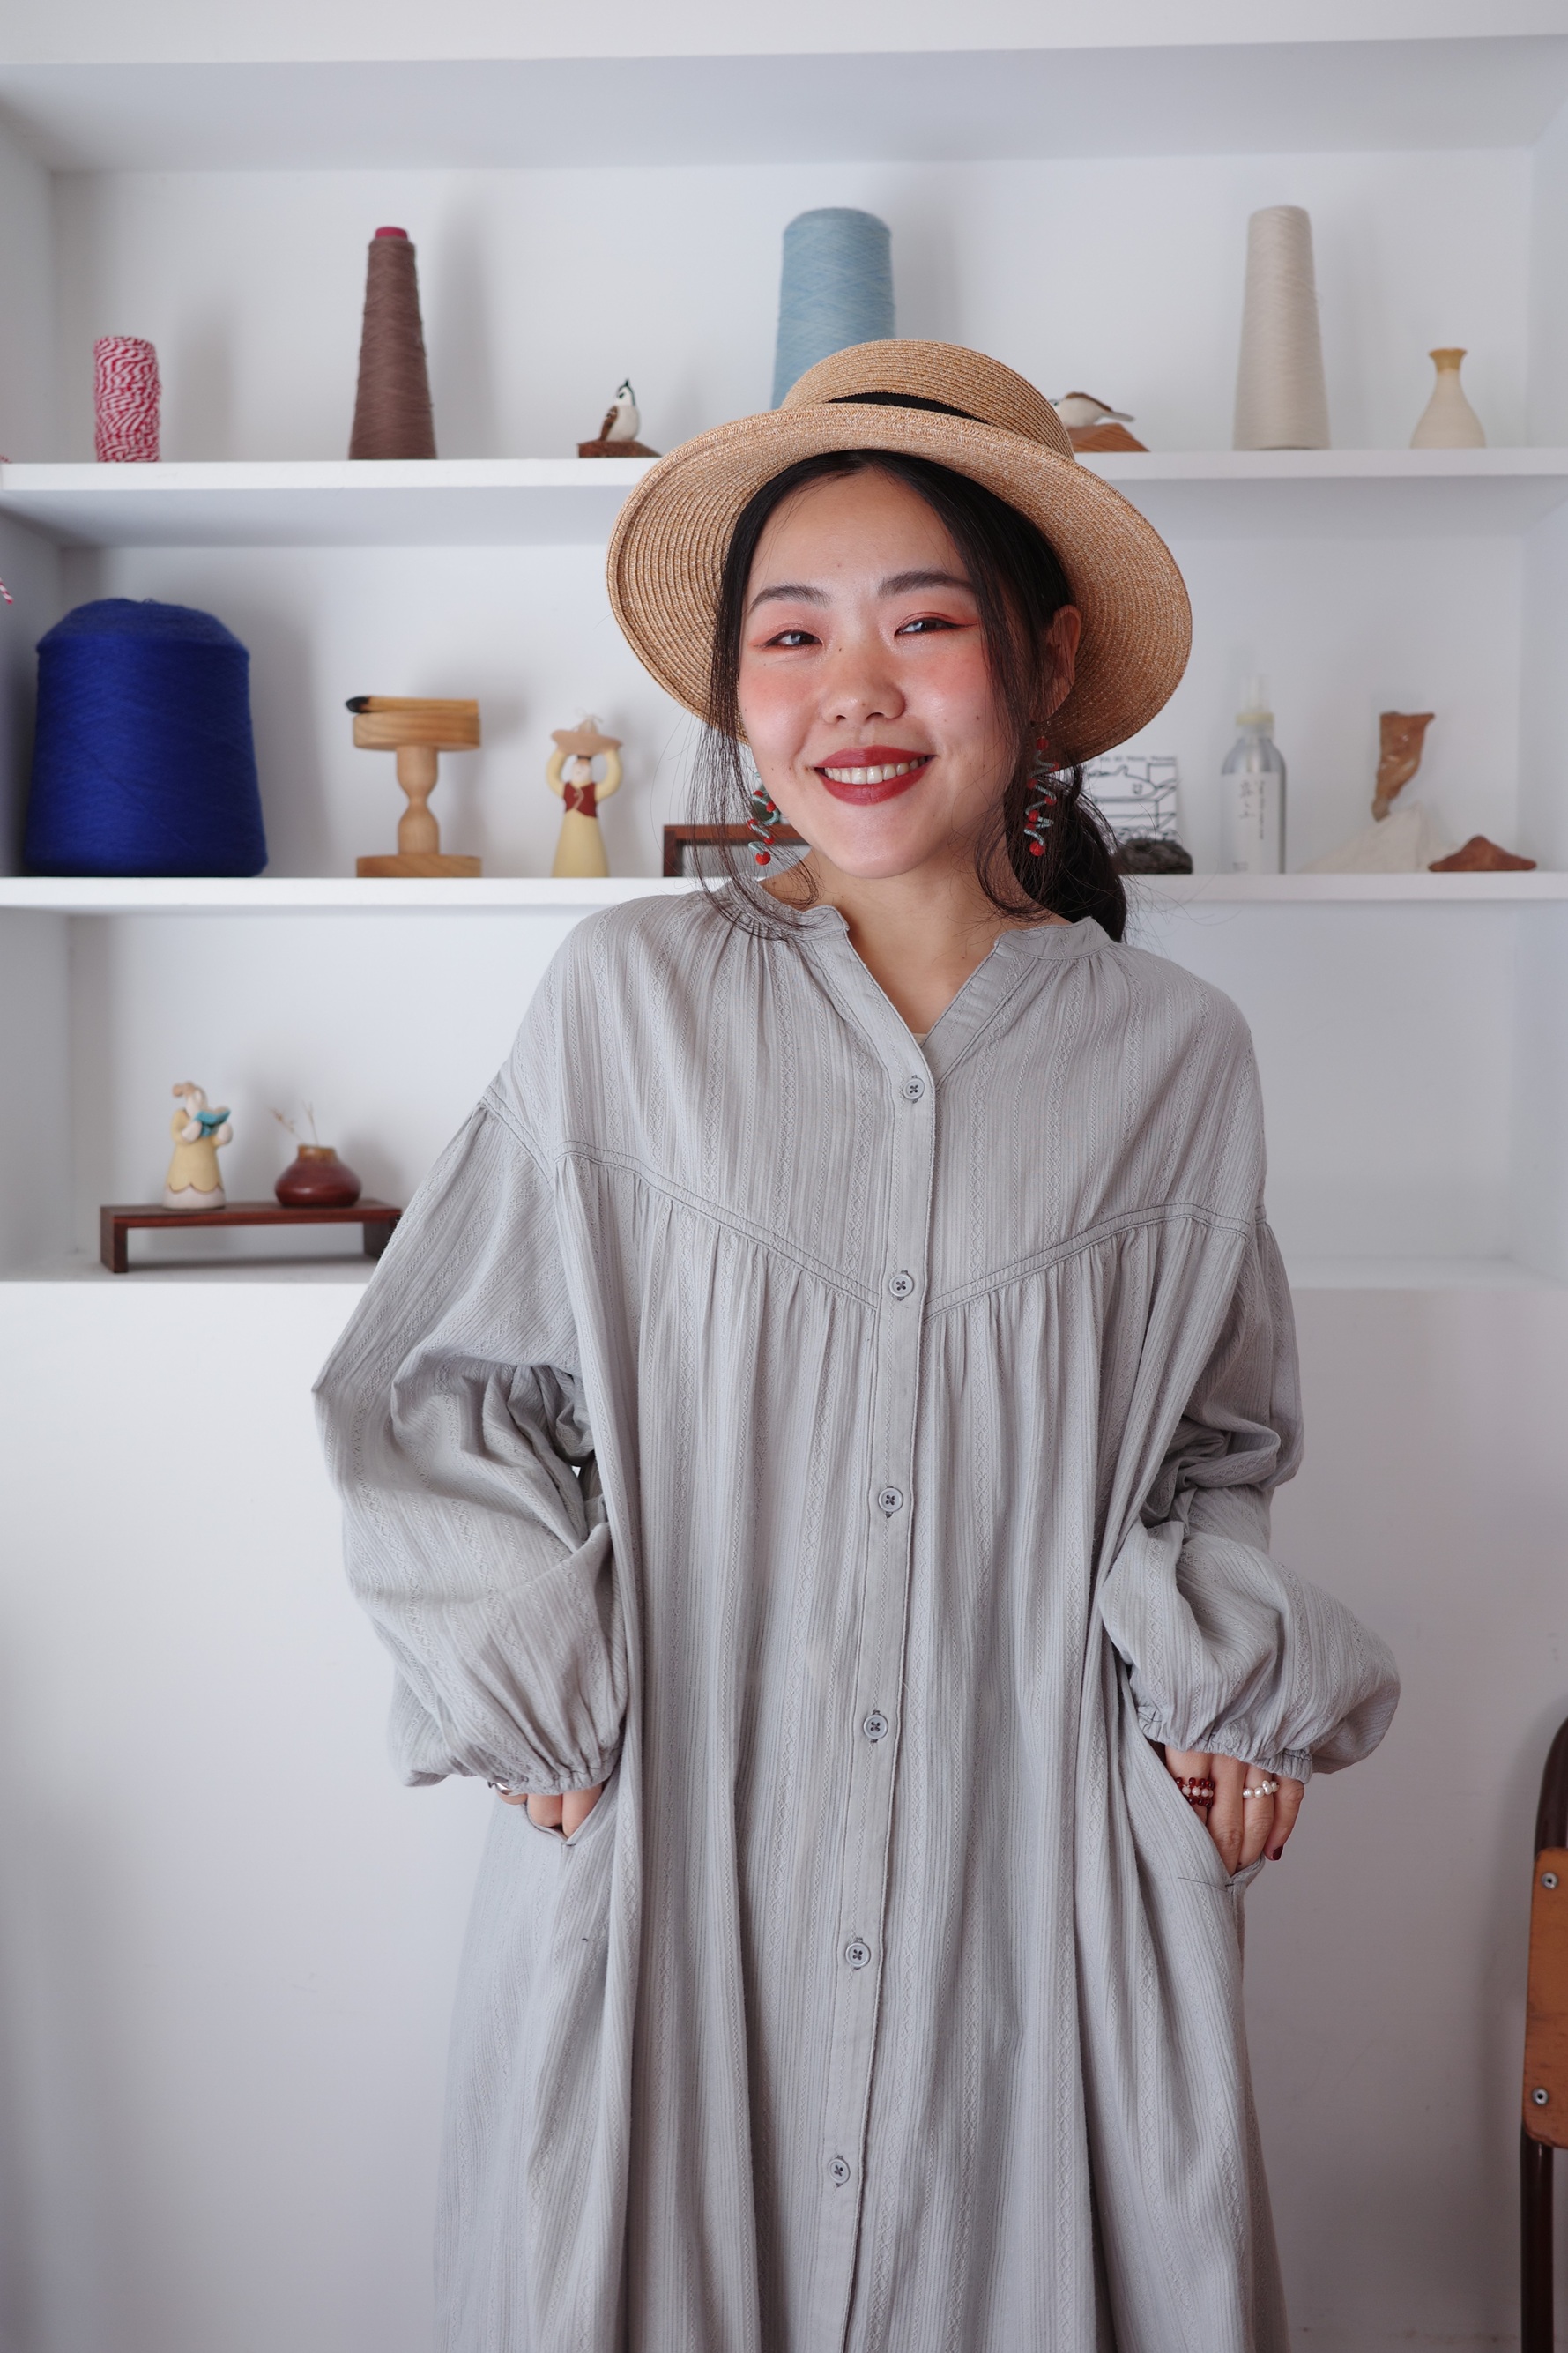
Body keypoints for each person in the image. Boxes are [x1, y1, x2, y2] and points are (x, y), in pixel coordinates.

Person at [316, 340, 1398, 2353]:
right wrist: (537, 1698)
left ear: (1041, 660)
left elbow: (1210, 1453)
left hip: (1038, 1920)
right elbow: (437, 1386)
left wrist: (1220, 1692)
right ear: (737, 697)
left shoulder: (1174, 1063)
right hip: (676, 1890)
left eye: (923, 622)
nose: (854, 690)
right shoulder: (625, 1005)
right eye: (792, 635)